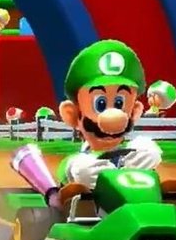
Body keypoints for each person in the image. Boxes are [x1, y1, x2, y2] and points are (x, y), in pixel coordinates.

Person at [56, 39, 163, 190]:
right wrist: (77, 171)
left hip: (133, 190)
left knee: (148, 149)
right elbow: (68, 169)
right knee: (81, 168)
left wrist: (140, 162)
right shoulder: (79, 162)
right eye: (100, 104)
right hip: (91, 197)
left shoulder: (132, 156)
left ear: (134, 112)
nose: (113, 115)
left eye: (120, 103)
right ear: (72, 114)